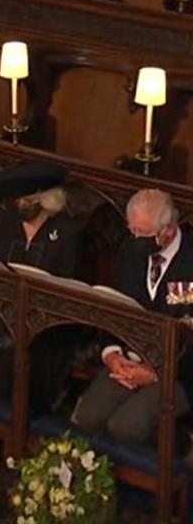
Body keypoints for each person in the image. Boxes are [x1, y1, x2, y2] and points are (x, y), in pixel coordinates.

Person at [0, 161, 85, 412]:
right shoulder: (7, 223)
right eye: (18, 200)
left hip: (39, 327)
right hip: (0, 314)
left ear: (46, 200)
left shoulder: (68, 234)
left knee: (6, 367)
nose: (20, 205)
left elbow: (66, 289)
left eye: (27, 200)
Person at [72, 189, 193, 444]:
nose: (136, 239)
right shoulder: (130, 251)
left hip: (178, 373)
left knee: (125, 426)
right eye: (133, 231)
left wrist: (157, 373)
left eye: (144, 233)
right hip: (127, 362)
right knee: (87, 417)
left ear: (168, 230)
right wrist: (112, 355)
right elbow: (114, 307)